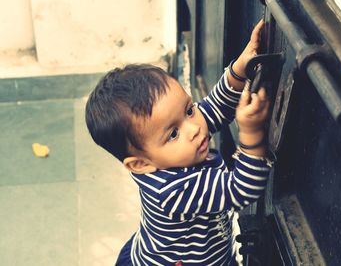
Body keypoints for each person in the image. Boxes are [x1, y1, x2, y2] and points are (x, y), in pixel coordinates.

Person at [85, 20, 274, 266]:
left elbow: (212, 109)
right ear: (141, 163)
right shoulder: (173, 189)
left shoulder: (169, 150)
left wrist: (239, 70)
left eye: (188, 110)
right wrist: (252, 135)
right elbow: (241, 189)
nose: (194, 128)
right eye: (173, 134)